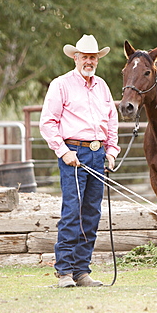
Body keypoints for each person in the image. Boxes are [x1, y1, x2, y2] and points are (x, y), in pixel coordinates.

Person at [40, 34, 120, 288]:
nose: (89, 61)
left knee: (92, 214)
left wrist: (111, 152)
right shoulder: (61, 84)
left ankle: (81, 271)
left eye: (93, 57)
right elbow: (48, 122)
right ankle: (64, 271)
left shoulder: (103, 86)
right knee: (72, 212)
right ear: (76, 58)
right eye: (84, 56)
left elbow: (112, 121)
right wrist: (64, 151)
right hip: (73, 153)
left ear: (98, 59)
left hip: (98, 154)